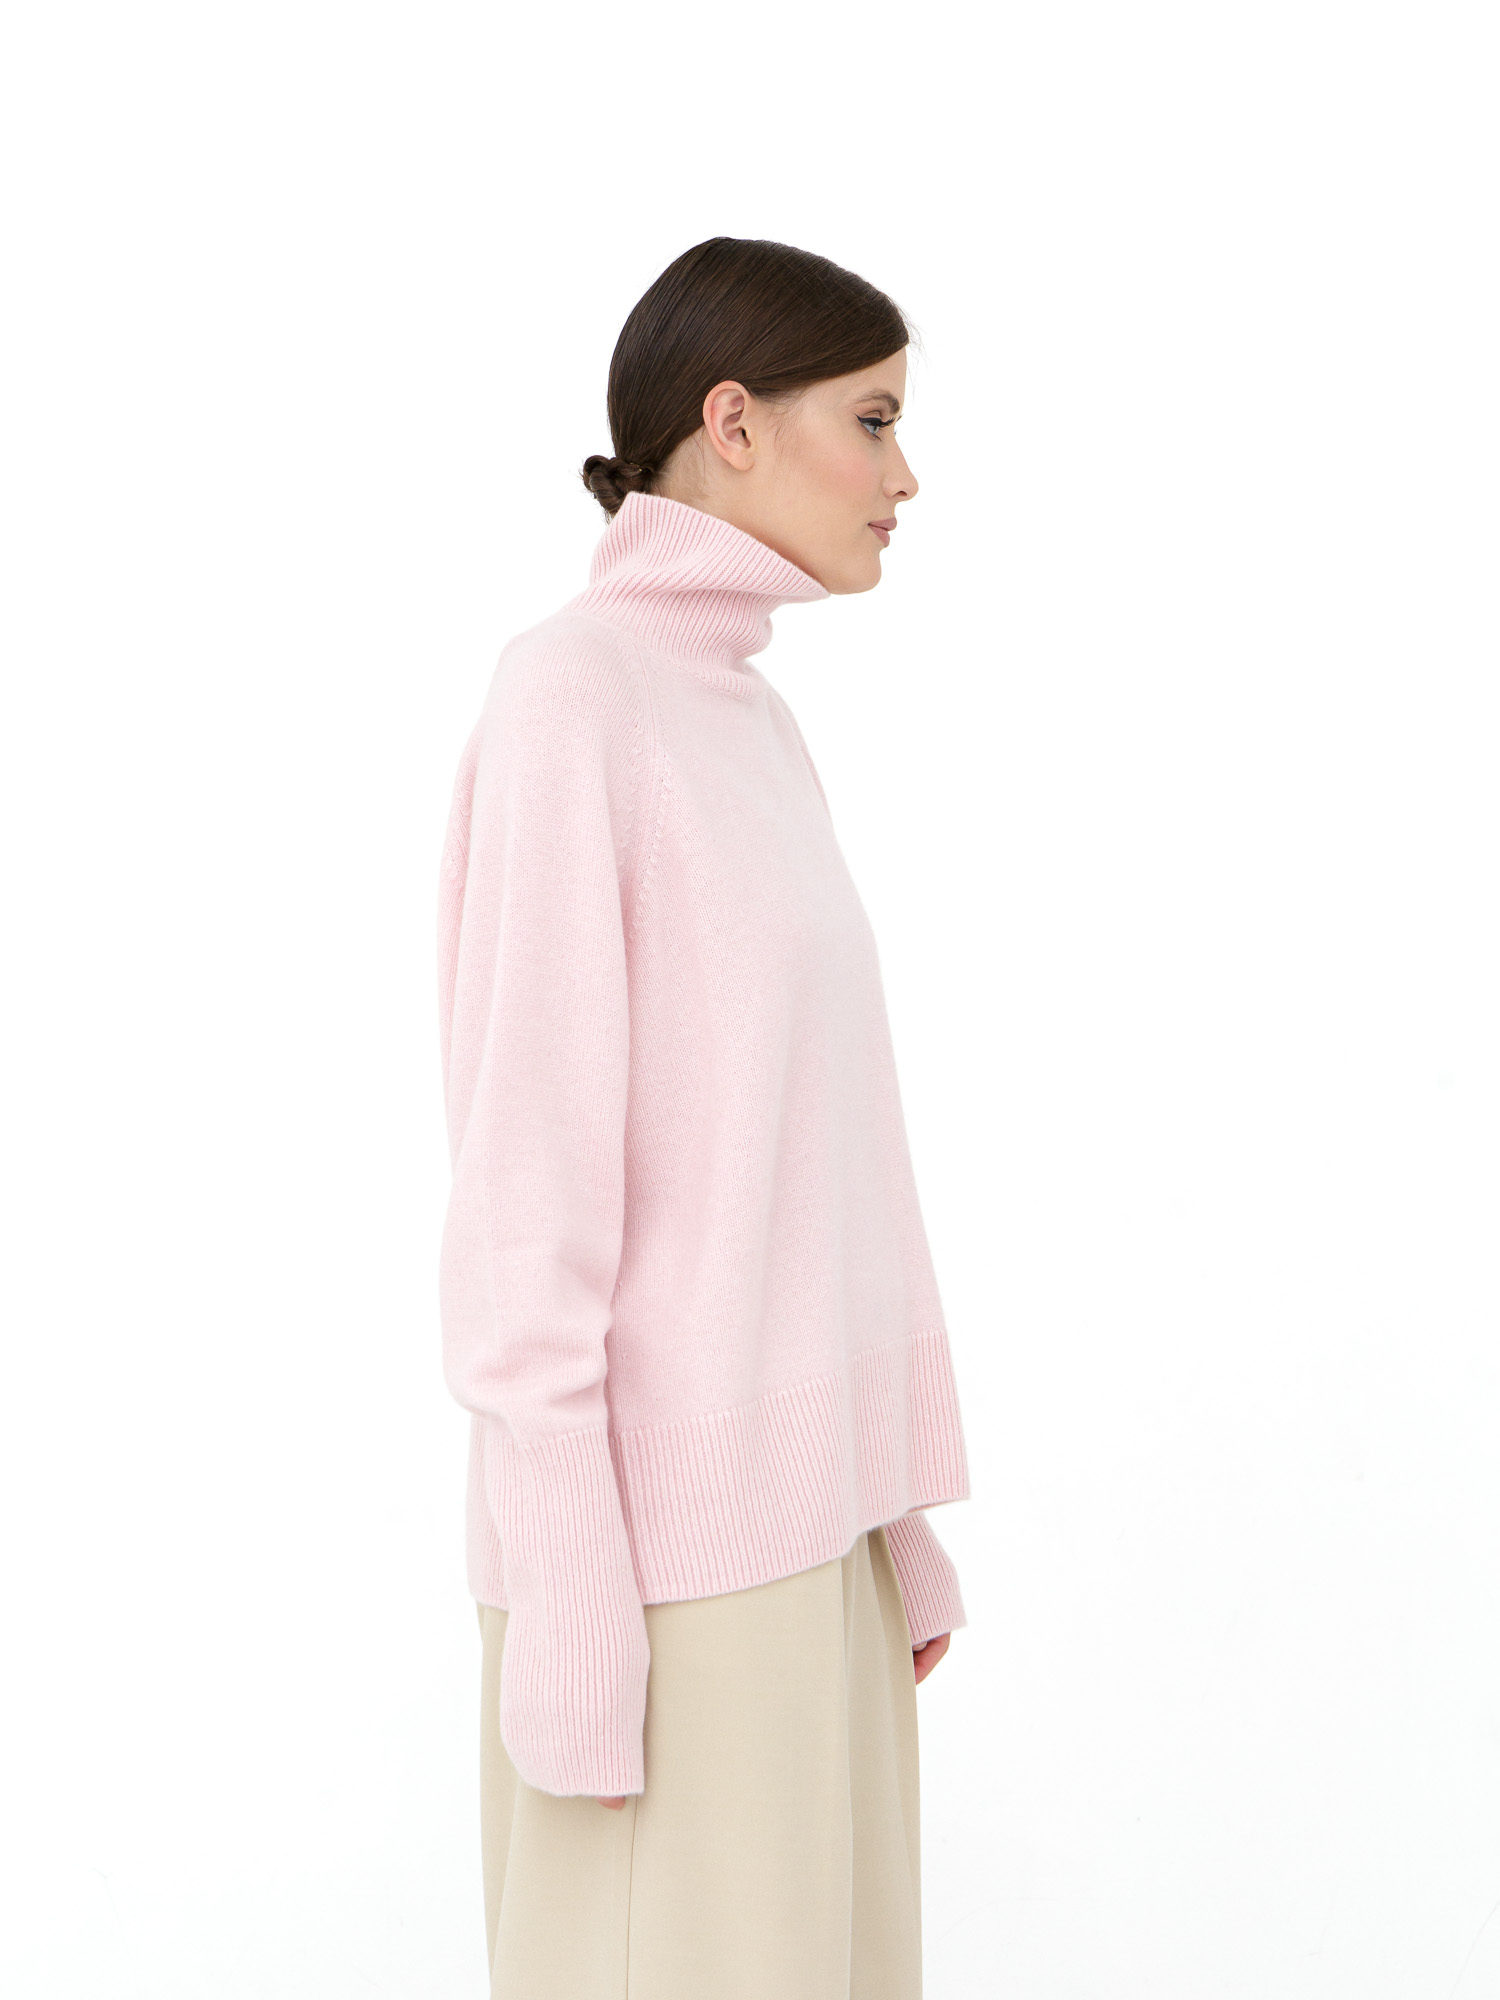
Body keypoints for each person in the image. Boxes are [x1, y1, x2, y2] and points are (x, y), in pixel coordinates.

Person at [435, 235, 971, 1999]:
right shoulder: (571, 698)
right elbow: (526, 1197)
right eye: (872, 420)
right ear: (732, 423)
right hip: (664, 1583)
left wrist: (888, 1513)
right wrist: (569, 1592)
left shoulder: (746, 718)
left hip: (807, 1556)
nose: (906, 475)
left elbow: (809, 1158)